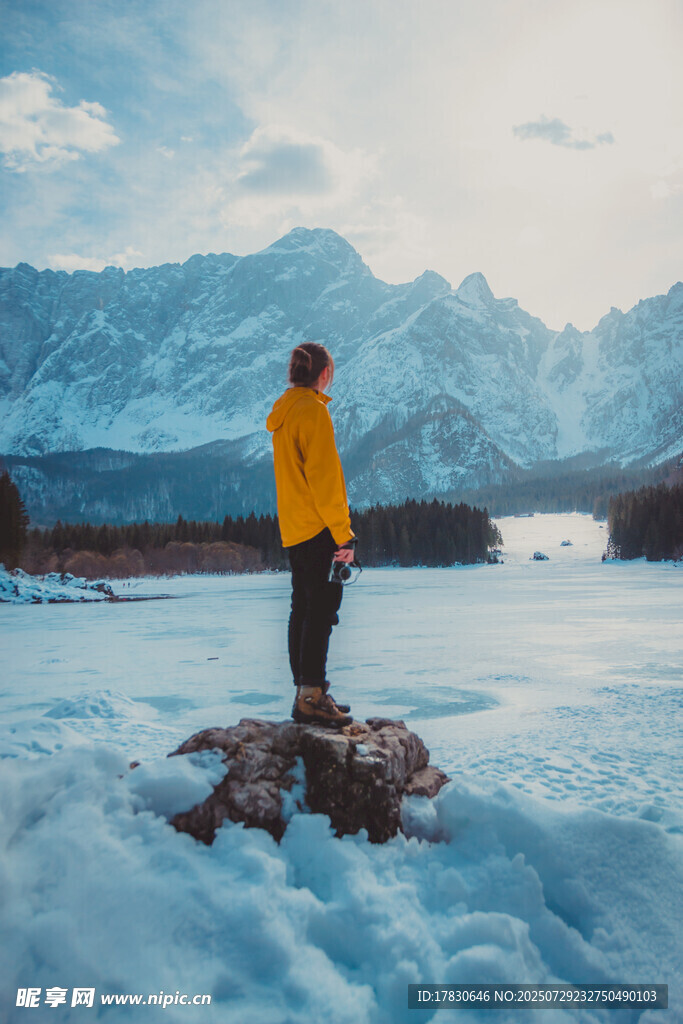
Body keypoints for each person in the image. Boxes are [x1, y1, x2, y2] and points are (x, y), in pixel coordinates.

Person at [266, 342, 356, 727]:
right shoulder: (314, 414)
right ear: (324, 374)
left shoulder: (284, 413)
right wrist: (344, 535)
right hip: (320, 529)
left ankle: (307, 690)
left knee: (302, 610)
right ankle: (312, 696)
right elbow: (324, 482)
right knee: (322, 612)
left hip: (294, 530)